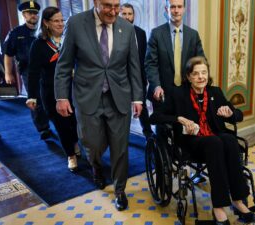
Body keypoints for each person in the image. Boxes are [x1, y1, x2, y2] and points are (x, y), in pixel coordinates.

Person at [150, 56, 255, 224]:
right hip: (191, 143)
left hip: (214, 139)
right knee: (216, 142)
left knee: (229, 140)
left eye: (204, 73)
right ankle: (218, 208)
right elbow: (155, 117)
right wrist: (178, 119)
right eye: (196, 73)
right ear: (189, 76)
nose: (201, 77)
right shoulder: (178, 94)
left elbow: (238, 115)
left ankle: (238, 200)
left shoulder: (215, 92)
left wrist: (230, 113)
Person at [54, 0, 143, 211]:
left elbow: (134, 66)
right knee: (91, 144)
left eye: (116, 6)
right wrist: (61, 97)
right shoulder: (76, 23)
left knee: (120, 148)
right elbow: (64, 63)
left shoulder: (127, 28)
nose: (113, 11)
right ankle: (95, 166)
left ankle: (120, 190)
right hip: (87, 95)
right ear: (95, 2)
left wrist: (137, 98)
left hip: (118, 96)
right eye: (107, 6)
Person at [145, 0, 206, 184]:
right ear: (166, 10)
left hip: (187, 95)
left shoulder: (193, 35)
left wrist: (200, 83)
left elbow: (200, 61)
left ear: (184, 9)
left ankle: (189, 168)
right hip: (162, 94)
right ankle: (164, 172)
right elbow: (150, 63)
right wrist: (155, 85)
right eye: (172, 6)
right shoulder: (157, 34)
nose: (176, 10)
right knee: (163, 134)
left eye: (179, 6)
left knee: (188, 131)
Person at [26, 7, 79, 172]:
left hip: (74, 90)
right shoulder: (38, 45)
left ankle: (75, 141)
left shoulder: (70, 39)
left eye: (62, 20)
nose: (60, 24)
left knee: (75, 123)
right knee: (61, 124)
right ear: (46, 23)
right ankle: (70, 155)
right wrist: (32, 96)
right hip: (52, 93)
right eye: (56, 21)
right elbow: (33, 72)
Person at [3, 0, 52, 140]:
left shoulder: (45, 31)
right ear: (24, 15)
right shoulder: (16, 33)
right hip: (28, 71)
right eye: (30, 13)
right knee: (35, 99)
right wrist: (8, 72)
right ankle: (43, 128)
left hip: (46, 70)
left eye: (36, 13)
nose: (34, 16)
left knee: (50, 97)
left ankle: (55, 121)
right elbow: (8, 54)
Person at [120, 3, 153, 139]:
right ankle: (121, 137)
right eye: (124, 14)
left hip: (138, 78)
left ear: (134, 16)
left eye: (130, 14)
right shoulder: (113, 33)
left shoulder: (140, 33)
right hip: (121, 79)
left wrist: (144, 79)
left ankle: (148, 134)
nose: (127, 17)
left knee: (142, 106)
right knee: (122, 110)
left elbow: (144, 57)